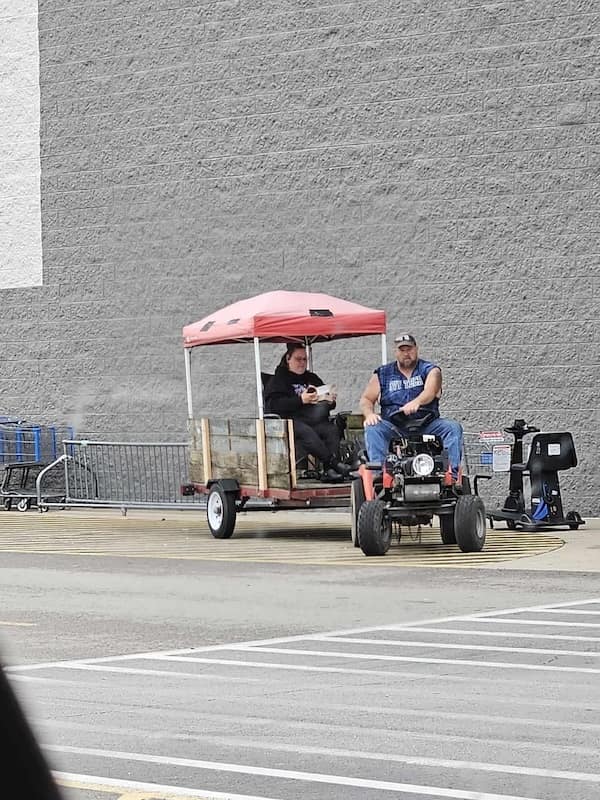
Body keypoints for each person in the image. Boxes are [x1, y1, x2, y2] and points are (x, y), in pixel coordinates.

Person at [359, 333, 463, 479]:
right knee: (373, 428)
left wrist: (417, 402)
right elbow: (366, 399)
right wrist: (369, 414)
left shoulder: (430, 370)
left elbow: (431, 391)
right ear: (396, 352)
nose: (406, 353)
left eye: (409, 349)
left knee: (452, 428)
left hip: (427, 424)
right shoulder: (382, 374)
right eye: (402, 350)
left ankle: (451, 476)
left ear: (416, 349)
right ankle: (380, 475)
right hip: (394, 426)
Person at [264, 344, 352, 480]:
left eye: (304, 359)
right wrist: (301, 400)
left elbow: (327, 401)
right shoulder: (278, 380)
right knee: (306, 431)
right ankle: (333, 463)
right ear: (288, 359)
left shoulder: (311, 378)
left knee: (331, 429)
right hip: (288, 420)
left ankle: (328, 470)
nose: (302, 363)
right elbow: (274, 406)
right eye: (298, 359)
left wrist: (330, 400)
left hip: (312, 418)